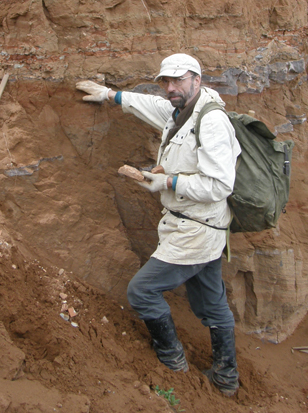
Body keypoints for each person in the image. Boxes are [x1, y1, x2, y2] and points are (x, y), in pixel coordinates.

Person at [76, 53, 241, 397]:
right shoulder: (181, 111)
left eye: (178, 80)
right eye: (166, 81)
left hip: (195, 230)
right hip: (201, 228)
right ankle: (226, 378)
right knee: (212, 305)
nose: (170, 88)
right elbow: (150, 105)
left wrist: (166, 183)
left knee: (141, 291)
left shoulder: (210, 122)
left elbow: (220, 186)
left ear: (197, 79)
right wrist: (110, 95)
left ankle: (174, 362)